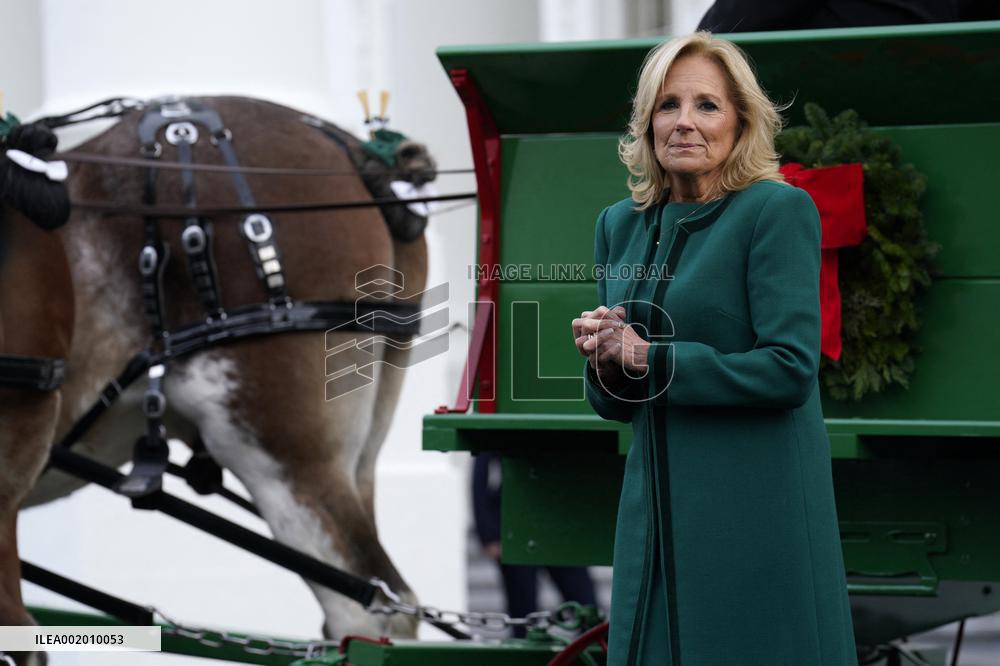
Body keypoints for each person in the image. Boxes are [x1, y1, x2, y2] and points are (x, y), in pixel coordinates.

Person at [570, 32, 856, 665]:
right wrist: (603, 355)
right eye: (668, 105)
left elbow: (788, 370)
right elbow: (615, 405)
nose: (685, 123)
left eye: (706, 105)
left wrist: (650, 357)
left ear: (740, 121)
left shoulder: (775, 211)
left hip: (751, 509)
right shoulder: (618, 223)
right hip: (653, 516)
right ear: (647, 123)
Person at [471, 451, 598, 638]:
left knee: (586, 604)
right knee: (523, 612)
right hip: (515, 529)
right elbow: (480, 480)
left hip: (559, 526)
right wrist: (489, 535)